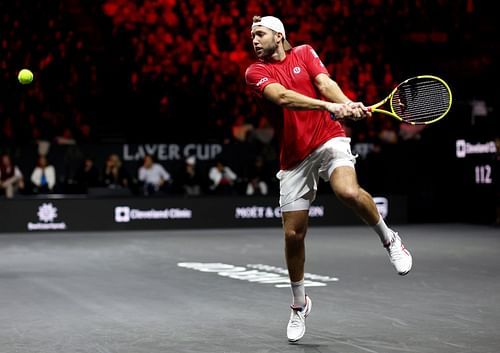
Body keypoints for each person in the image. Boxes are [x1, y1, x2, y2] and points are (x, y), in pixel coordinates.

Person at [245, 16, 412, 343]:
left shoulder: (305, 52)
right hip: (294, 157)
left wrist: (345, 104)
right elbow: (283, 98)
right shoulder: (255, 71)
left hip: (328, 139)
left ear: (279, 35)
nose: (253, 39)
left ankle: (390, 238)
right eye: (252, 35)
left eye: (259, 33)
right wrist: (329, 105)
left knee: (347, 191)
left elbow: (325, 82)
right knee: (293, 234)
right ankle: (299, 304)